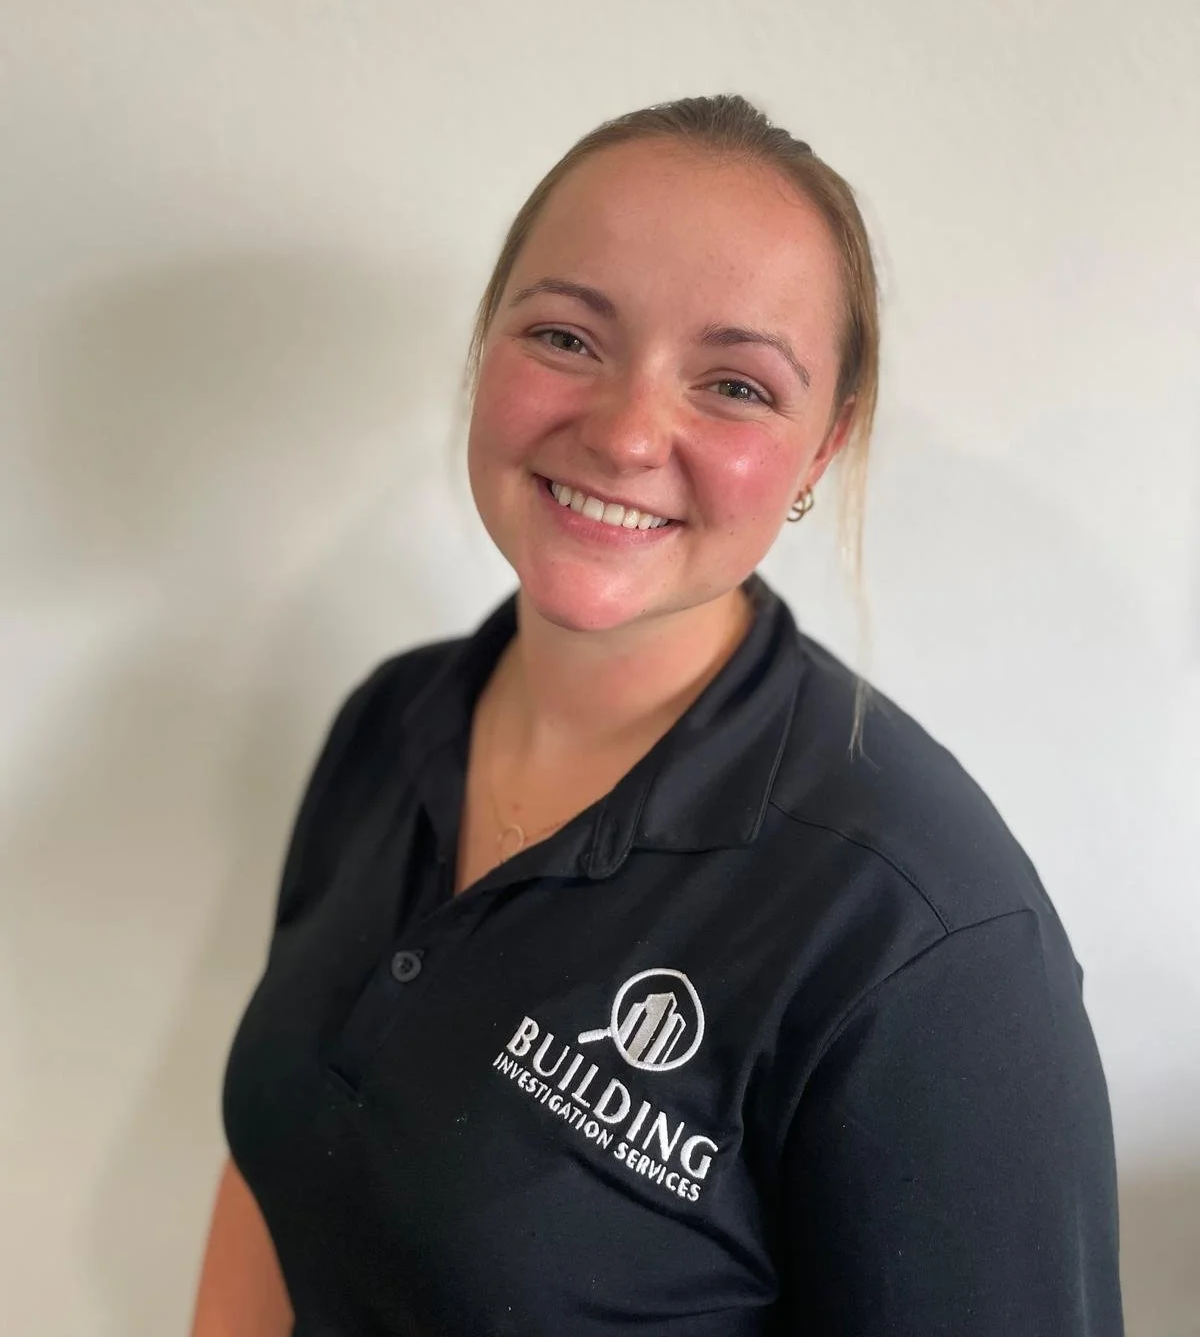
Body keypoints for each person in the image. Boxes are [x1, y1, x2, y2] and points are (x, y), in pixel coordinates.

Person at [190, 94, 1124, 1335]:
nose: (628, 432)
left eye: (735, 383)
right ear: (488, 344)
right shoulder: (390, 722)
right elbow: (273, 1173)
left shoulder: (925, 940)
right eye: (568, 337)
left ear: (823, 448)